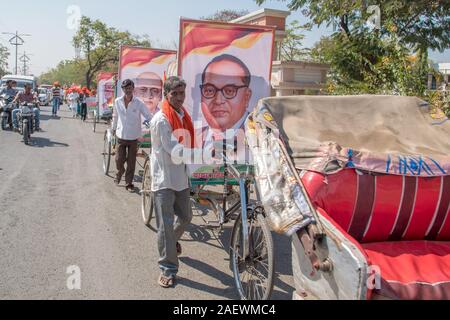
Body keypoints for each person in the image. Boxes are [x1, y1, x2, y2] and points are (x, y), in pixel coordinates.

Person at [150, 76, 194, 288]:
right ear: (166, 94)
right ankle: (167, 269)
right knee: (165, 226)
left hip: (181, 177)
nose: (179, 97)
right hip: (164, 179)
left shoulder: (183, 115)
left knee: (185, 217)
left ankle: (170, 242)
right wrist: (203, 155)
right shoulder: (161, 120)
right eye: (174, 93)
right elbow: (174, 150)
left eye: (182, 93)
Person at [112, 79, 153, 191]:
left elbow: (148, 116)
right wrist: (113, 129)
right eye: (125, 88)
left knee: (131, 162)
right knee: (118, 159)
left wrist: (154, 124)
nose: (128, 90)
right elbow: (115, 116)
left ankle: (128, 183)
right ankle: (120, 171)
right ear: (123, 89)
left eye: (129, 88)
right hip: (121, 135)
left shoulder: (138, 103)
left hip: (134, 136)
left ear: (133, 88)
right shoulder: (117, 101)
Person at [200, 54, 253, 134]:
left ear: (247, 97)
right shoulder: (191, 137)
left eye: (229, 91)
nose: (218, 101)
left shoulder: (262, 138)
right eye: (210, 90)